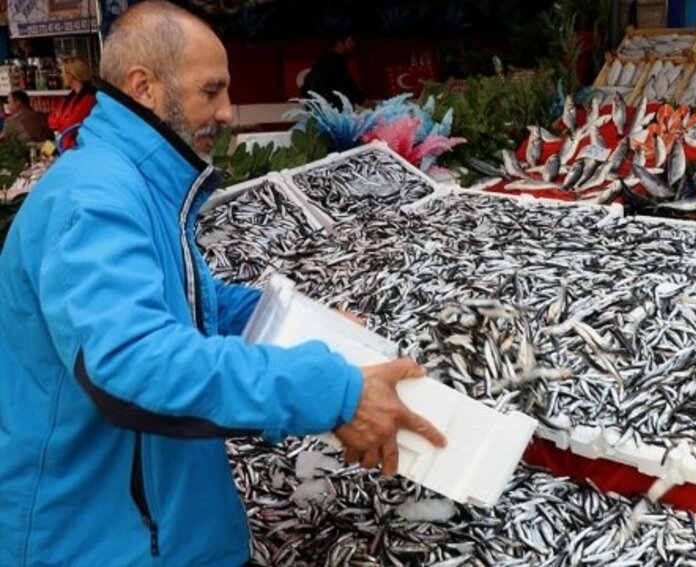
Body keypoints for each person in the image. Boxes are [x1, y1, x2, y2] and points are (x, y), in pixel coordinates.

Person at [0, 2, 445, 565]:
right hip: (102, 542)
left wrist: (294, 322)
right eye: (211, 91)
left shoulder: (136, 184)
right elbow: (131, 365)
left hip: (172, 528)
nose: (229, 111)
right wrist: (333, 393)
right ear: (144, 88)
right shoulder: (93, 199)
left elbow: (181, 305)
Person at [47, 56, 98, 151]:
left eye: (62, 72)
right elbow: (51, 121)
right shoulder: (71, 96)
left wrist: (60, 120)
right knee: (44, 152)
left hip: (77, 149)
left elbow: (70, 125)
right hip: (64, 145)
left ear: (70, 75)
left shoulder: (88, 98)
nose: (61, 76)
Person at [301, 34, 366, 105]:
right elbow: (348, 88)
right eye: (350, 42)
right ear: (339, 43)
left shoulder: (327, 60)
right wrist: (363, 100)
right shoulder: (332, 62)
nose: (353, 44)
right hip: (326, 107)